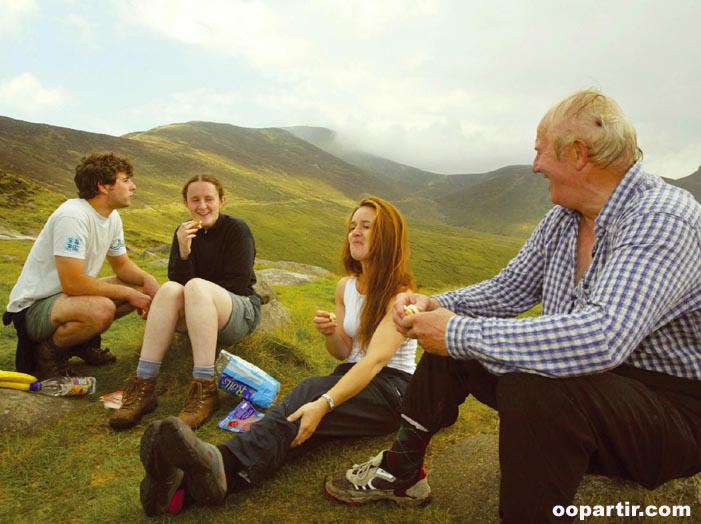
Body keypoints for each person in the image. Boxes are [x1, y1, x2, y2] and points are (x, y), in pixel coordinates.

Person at [324, 90, 701, 523]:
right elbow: (509, 290)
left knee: (531, 381)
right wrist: (437, 306)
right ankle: (403, 469)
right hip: (593, 391)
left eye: (540, 151)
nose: (535, 165)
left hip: (669, 410)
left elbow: (604, 336)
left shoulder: (662, 217)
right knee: (461, 339)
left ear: (578, 154)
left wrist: (456, 331)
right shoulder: (567, 216)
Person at [135, 196, 418, 517]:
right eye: (353, 226)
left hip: (393, 391)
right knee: (300, 426)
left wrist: (324, 402)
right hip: (353, 375)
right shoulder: (346, 286)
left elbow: (374, 362)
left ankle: (221, 463)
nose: (355, 232)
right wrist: (332, 334)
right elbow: (345, 352)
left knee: (309, 398)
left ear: (389, 237)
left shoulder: (400, 295)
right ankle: (182, 491)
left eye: (367, 227)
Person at [109, 174, 261, 431]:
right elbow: (176, 282)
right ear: (186, 203)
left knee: (195, 286)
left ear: (222, 201)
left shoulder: (237, 230)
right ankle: (144, 386)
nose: (202, 206)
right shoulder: (183, 232)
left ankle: (205, 388)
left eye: (209, 199)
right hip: (199, 312)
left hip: (239, 311)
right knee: (168, 290)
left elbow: (236, 284)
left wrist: (196, 294)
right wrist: (184, 251)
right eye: (195, 200)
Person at [3, 152, 160, 380]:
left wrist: (148, 281)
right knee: (103, 309)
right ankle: (47, 355)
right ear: (103, 186)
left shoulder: (112, 217)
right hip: (34, 307)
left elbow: (122, 266)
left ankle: (78, 344)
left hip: (64, 301)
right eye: (125, 180)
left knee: (137, 288)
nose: (133, 186)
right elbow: (73, 283)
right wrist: (127, 293)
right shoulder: (73, 216)